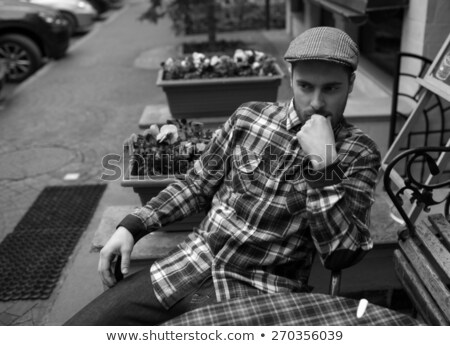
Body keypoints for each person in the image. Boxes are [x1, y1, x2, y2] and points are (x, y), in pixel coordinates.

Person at [65, 26, 381, 325]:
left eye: (331, 89)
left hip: (258, 294)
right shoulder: (249, 117)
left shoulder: (359, 153)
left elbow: (341, 254)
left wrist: (323, 167)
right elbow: (196, 184)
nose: (316, 103)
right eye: (305, 87)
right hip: (188, 266)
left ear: (351, 83)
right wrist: (132, 227)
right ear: (290, 78)